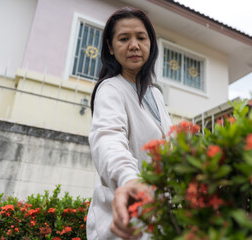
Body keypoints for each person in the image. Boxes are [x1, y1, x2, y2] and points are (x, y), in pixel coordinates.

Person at [87, 6, 172, 240]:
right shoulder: (110, 89)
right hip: (121, 227)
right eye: (124, 38)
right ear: (110, 47)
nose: (134, 45)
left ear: (151, 44)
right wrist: (130, 180)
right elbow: (108, 139)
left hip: (156, 220)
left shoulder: (155, 95)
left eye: (141, 38)